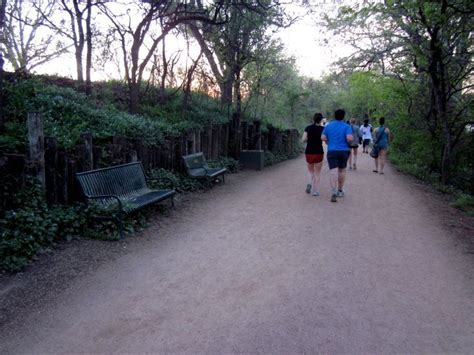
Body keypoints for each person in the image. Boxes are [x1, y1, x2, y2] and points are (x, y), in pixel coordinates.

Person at [321, 109, 353, 202]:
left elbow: (322, 137)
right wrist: (349, 140)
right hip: (344, 151)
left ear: (335, 116)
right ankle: (340, 190)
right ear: (343, 116)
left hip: (332, 150)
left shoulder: (328, 126)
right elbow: (349, 138)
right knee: (342, 170)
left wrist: (328, 141)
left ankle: (333, 192)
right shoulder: (347, 126)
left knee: (333, 170)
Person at [302, 113, 325, 196]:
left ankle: (309, 183)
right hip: (319, 152)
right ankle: (315, 191)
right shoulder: (323, 129)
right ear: (321, 120)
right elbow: (325, 139)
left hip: (309, 152)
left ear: (313, 119)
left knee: (310, 170)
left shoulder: (308, 128)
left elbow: (303, 139)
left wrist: (309, 138)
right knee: (317, 172)